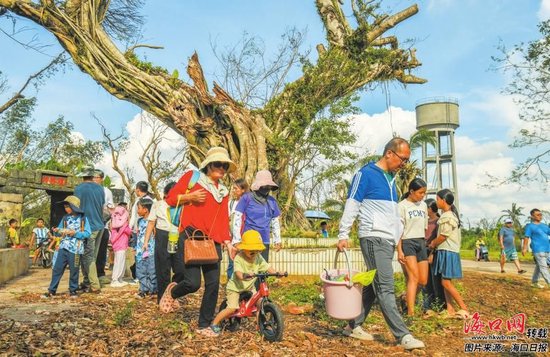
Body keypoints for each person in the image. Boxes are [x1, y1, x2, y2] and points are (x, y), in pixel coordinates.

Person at [337, 137, 425, 350]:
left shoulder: (392, 180)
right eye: (402, 159)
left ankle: (353, 326)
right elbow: (352, 204)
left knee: (373, 286)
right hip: (372, 236)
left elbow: (393, 216)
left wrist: (396, 242)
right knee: (386, 286)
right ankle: (403, 335)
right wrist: (343, 234)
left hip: (386, 239)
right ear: (389, 154)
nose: (404, 164)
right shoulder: (365, 174)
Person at [160, 147, 235, 335]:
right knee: (193, 284)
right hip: (191, 235)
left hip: (212, 241)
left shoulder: (224, 192)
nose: (222, 168)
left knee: (213, 284)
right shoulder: (192, 178)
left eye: (225, 166)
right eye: (218, 164)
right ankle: (172, 292)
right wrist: (189, 197)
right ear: (209, 165)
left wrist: (227, 242)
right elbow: (170, 199)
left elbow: (222, 219)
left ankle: (205, 324)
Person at [206, 230, 281, 337]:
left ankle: (261, 326)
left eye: (256, 250)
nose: (254, 252)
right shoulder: (239, 258)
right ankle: (214, 324)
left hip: (249, 287)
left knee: (260, 303)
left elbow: (267, 267)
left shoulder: (258, 258)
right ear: (244, 248)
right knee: (232, 308)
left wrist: (277, 273)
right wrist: (245, 275)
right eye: (251, 250)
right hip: (235, 288)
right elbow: (238, 273)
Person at [428, 189, 469, 319]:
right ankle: (450, 309)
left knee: (446, 283)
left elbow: (443, 236)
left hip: (448, 252)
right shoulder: (447, 215)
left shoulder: (448, 217)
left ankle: (464, 309)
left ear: (443, 200)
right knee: (445, 282)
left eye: (437, 199)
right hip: (444, 251)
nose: (436, 201)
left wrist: (432, 243)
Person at [41, 196, 91, 298]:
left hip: (76, 249)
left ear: (74, 207)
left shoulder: (83, 219)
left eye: (68, 206)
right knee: (57, 269)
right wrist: (57, 231)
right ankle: (51, 290)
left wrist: (75, 233)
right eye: (65, 207)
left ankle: (73, 290)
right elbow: (60, 231)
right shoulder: (65, 218)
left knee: (74, 270)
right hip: (63, 246)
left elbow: (87, 233)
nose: (66, 209)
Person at [230, 170, 282, 264]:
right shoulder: (247, 198)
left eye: (268, 186)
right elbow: (237, 218)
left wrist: (277, 240)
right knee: (248, 269)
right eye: (264, 186)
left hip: (264, 240)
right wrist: (236, 240)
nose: (267, 188)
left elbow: (275, 221)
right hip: (248, 239)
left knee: (262, 268)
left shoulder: (272, 201)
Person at [147, 181, 185, 304]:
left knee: (181, 269)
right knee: (163, 268)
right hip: (162, 235)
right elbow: (151, 222)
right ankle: (162, 298)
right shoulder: (158, 205)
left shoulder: (183, 205)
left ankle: (174, 292)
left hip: (178, 236)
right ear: (166, 193)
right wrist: (145, 241)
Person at [397, 178, 428, 317]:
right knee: (413, 278)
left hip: (421, 242)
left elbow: (425, 227)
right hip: (407, 242)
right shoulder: (402, 206)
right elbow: (398, 230)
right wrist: (399, 250)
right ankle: (411, 313)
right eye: (420, 193)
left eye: (424, 193)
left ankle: (405, 297)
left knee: (423, 280)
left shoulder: (424, 206)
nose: (423, 196)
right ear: (411, 191)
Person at [74, 167, 105, 293]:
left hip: (87, 227)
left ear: (83, 176)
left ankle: (94, 285)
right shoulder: (100, 188)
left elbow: (75, 207)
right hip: (99, 225)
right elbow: (102, 206)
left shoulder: (79, 188)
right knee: (91, 255)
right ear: (93, 176)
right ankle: (86, 281)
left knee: (87, 257)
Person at [127, 181, 154, 282]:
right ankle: (139, 274)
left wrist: (129, 229)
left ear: (138, 190)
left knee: (146, 253)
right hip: (137, 229)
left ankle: (144, 274)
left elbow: (134, 216)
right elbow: (135, 216)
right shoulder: (142, 200)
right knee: (138, 252)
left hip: (146, 230)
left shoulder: (147, 201)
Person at [421, 198, 445, 313]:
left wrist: (432, 254)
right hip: (424, 251)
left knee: (436, 281)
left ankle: (440, 305)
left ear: (430, 209)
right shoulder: (424, 221)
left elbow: (438, 240)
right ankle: (427, 305)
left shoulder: (438, 222)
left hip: (433, 252)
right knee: (425, 281)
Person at [93, 170, 115, 284]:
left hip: (103, 224)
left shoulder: (106, 191)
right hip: (90, 225)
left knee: (101, 250)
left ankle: (100, 274)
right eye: (93, 177)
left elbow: (111, 208)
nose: (95, 179)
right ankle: (89, 275)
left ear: (101, 179)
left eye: (97, 177)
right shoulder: (88, 190)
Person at [226, 178, 249, 279]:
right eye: (233, 189)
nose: (234, 191)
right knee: (232, 262)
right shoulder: (231, 203)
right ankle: (231, 285)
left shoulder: (249, 202)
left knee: (246, 263)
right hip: (233, 239)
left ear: (243, 189)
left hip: (246, 238)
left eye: (236, 188)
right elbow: (227, 221)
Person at [523, 208, 550, 288]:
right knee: (544, 267)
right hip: (538, 250)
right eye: (538, 215)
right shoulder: (530, 226)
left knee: (539, 266)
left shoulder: (544, 226)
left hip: (547, 249)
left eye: (540, 214)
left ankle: (534, 282)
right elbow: (526, 237)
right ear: (532, 216)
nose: (540, 216)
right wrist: (524, 248)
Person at [136, 198, 157, 298]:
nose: (137, 210)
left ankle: (154, 290)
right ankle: (143, 290)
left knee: (152, 271)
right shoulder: (139, 221)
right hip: (140, 252)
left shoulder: (153, 222)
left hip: (151, 251)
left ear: (146, 210)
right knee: (140, 271)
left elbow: (155, 235)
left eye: (139, 208)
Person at [109, 204, 131, 287]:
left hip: (117, 245)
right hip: (121, 245)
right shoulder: (124, 225)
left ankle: (119, 279)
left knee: (120, 262)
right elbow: (129, 231)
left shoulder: (114, 224)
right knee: (119, 262)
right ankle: (115, 279)